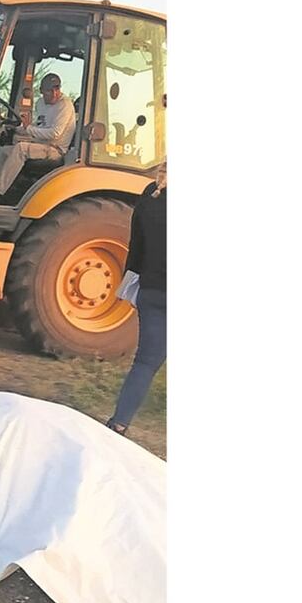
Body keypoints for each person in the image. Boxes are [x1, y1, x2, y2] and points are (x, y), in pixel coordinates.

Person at [106, 160, 167, 436]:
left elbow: (136, 245)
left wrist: (133, 282)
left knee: (145, 363)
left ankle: (119, 423)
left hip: (151, 290)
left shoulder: (150, 194)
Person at [0, 73, 75, 203]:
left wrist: (28, 129)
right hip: (40, 144)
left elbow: (55, 134)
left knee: (21, 149)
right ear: (41, 91)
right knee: (6, 150)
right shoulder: (40, 103)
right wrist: (18, 129)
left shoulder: (64, 105)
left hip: (55, 149)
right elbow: (38, 126)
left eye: (57, 89)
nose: (54, 94)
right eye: (49, 90)